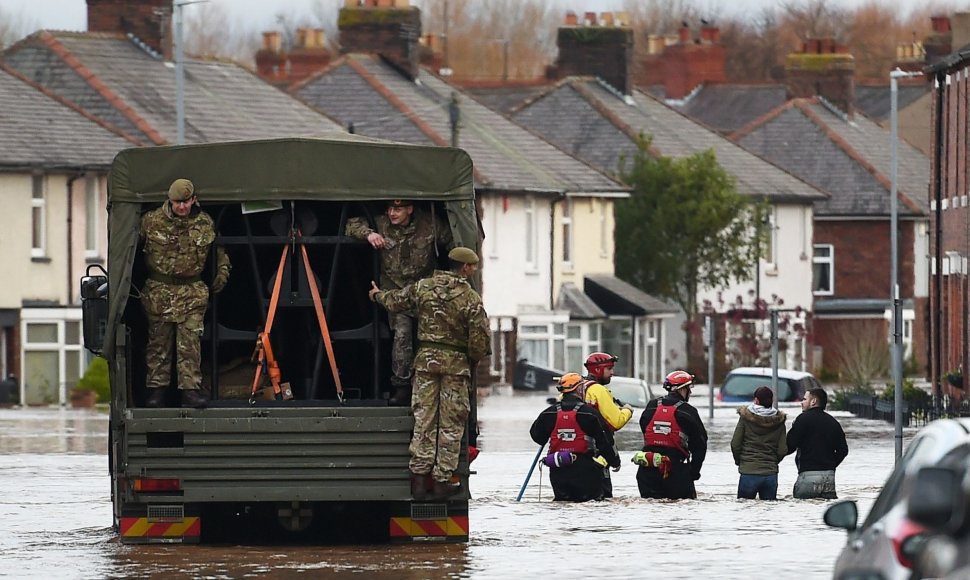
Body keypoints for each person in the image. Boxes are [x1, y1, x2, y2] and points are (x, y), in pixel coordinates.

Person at [368, 246, 489, 501]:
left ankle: (420, 481)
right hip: (455, 367)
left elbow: (396, 301)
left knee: (424, 420)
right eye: (473, 266)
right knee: (451, 423)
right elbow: (479, 341)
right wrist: (472, 359)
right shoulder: (470, 298)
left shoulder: (423, 287)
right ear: (465, 268)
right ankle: (442, 480)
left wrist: (377, 295)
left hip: (425, 364)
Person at [346, 199, 453, 405]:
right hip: (395, 293)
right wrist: (369, 234)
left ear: (410, 209)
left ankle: (430, 385)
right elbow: (350, 225)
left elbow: (453, 241)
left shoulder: (430, 224)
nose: (392, 213)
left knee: (430, 337)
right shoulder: (381, 223)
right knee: (402, 334)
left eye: (398, 209)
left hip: (423, 292)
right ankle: (402, 386)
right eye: (390, 209)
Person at [140, 179, 230, 409]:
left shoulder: (204, 223)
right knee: (159, 344)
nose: (181, 207)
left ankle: (190, 392)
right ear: (169, 201)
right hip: (159, 292)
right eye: (177, 202)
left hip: (192, 291)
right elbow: (130, 252)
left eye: (185, 202)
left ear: (193, 200)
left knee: (189, 344)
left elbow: (218, 251)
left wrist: (222, 272)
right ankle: (156, 392)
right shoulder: (151, 222)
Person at [530, 372, 621, 502]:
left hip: (558, 471)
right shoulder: (589, 413)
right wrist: (615, 461)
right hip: (585, 469)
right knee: (590, 505)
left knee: (562, 503)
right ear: (579, 389)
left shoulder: (549, 413)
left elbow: (536, 436)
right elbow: (605, 441)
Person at [634, 370, 708, 499]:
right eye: (688, 388)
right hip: (676, 472)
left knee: (652, 512)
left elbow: (645, 430)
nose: (690, 392)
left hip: (647, 471)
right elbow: (700, 445)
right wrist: (694, 473)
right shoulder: (688, 411)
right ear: (681, 389)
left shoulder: (651, 406)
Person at [580, 352, 633, 498]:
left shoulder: (575, 388)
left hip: (572, 458)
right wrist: (627, 411)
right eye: (609, 369)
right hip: (597, 456)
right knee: (602, 500)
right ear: (598, 370)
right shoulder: (598, 390)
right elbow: (616, 422)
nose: (612, 373)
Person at [786, 387, 848, 499]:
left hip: (808, 474)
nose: (801, 402)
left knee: (804, 510)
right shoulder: (833, 422)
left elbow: (790, 444)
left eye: (804, 399)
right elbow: (843, 450)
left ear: (813, 401)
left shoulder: (802, 419)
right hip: (829, 476)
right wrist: (830, 465)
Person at [731, 385, 788, 500]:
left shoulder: (745, 417)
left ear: (756, 400)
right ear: (772, 400)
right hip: (770, 474)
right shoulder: (779, 420)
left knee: (745, 511)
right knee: (768, 512)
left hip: (748, 472)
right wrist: (772, 461)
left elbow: (735, 444)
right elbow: (783, 449)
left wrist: (740, 461)